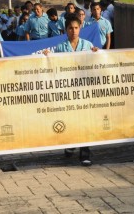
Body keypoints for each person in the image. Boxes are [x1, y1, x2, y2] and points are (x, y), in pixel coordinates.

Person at [43, 15, 98, 166]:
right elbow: (54, 65)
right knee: (70, 119)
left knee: (85, 120)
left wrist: (97, 54)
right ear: (65, 30)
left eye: (76, 28)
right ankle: (70, 144)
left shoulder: (88, 45)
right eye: (70, 28)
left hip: (84, 88)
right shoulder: (61, 47)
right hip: (68, 89)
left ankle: (85, 153)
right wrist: (47, 57)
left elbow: (96, 64)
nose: (73, 31)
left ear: (80, 29)